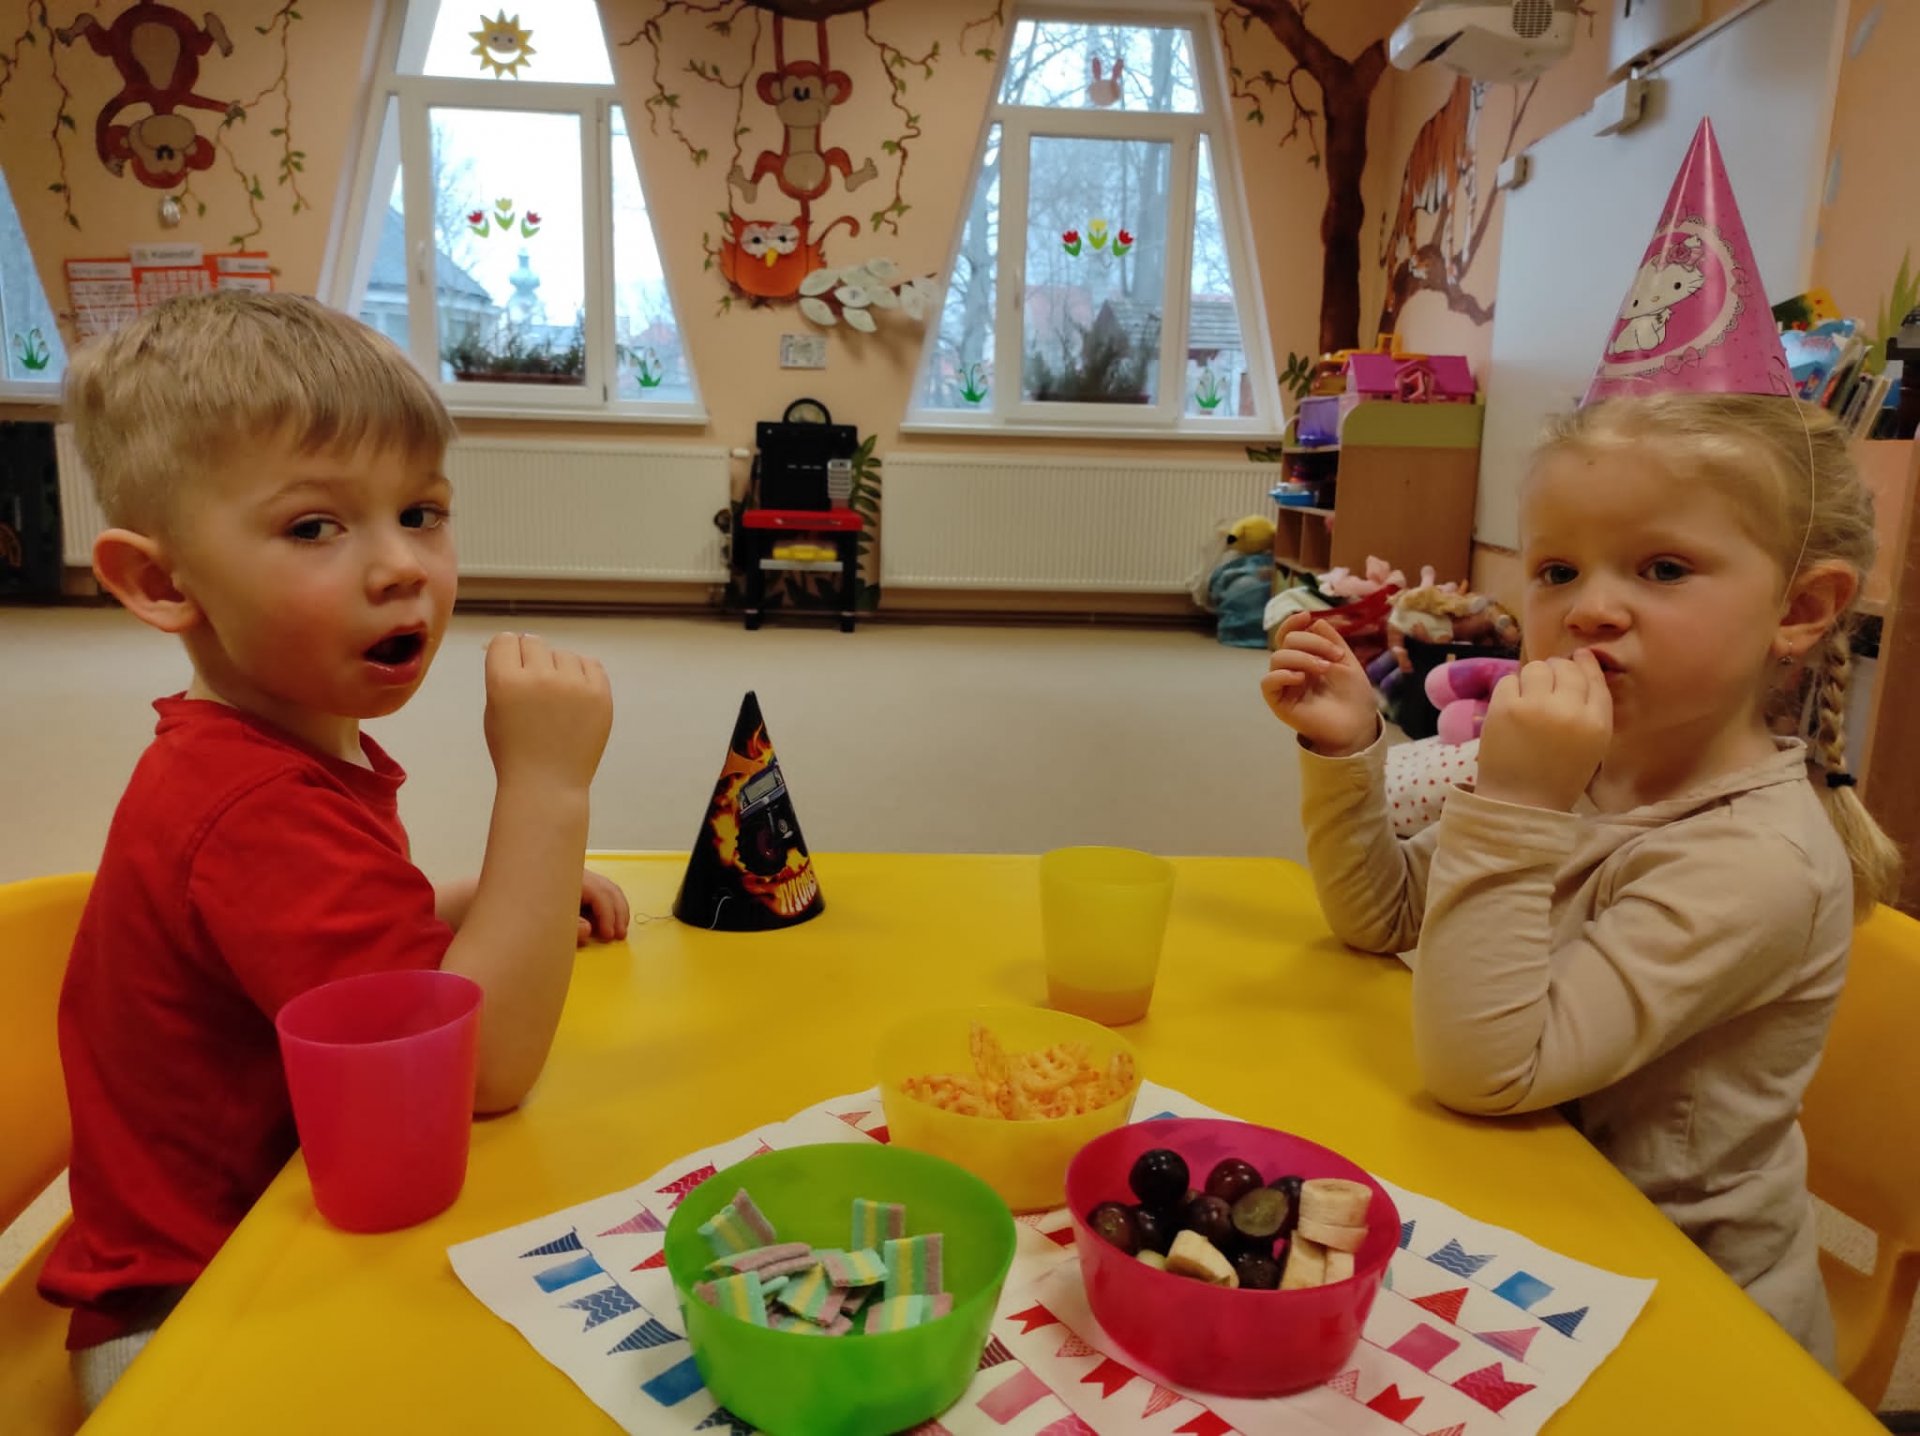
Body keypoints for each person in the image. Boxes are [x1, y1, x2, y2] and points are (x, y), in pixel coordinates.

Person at [36, 291, 629, 1410]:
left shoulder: (269, 749)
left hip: (285, 1230)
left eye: (421, 512)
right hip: (194, 1315)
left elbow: (329, 957)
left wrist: (470, 900)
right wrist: (547, 792)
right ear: (163, 582)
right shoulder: (253, 804)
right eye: (315, 527)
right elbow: (479, 1076)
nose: (402, 566)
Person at [1262, 392, 1900, 1364]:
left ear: (1800, 609)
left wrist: (1517, 802)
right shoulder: (1587, 769)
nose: (1588, 608)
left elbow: (1485, 1072)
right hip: (1531, 1214)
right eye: (1558, 570)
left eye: (1664, 568)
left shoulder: (1758, 860)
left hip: (1679, 1310)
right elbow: (1384, 915)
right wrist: (1351, 750)